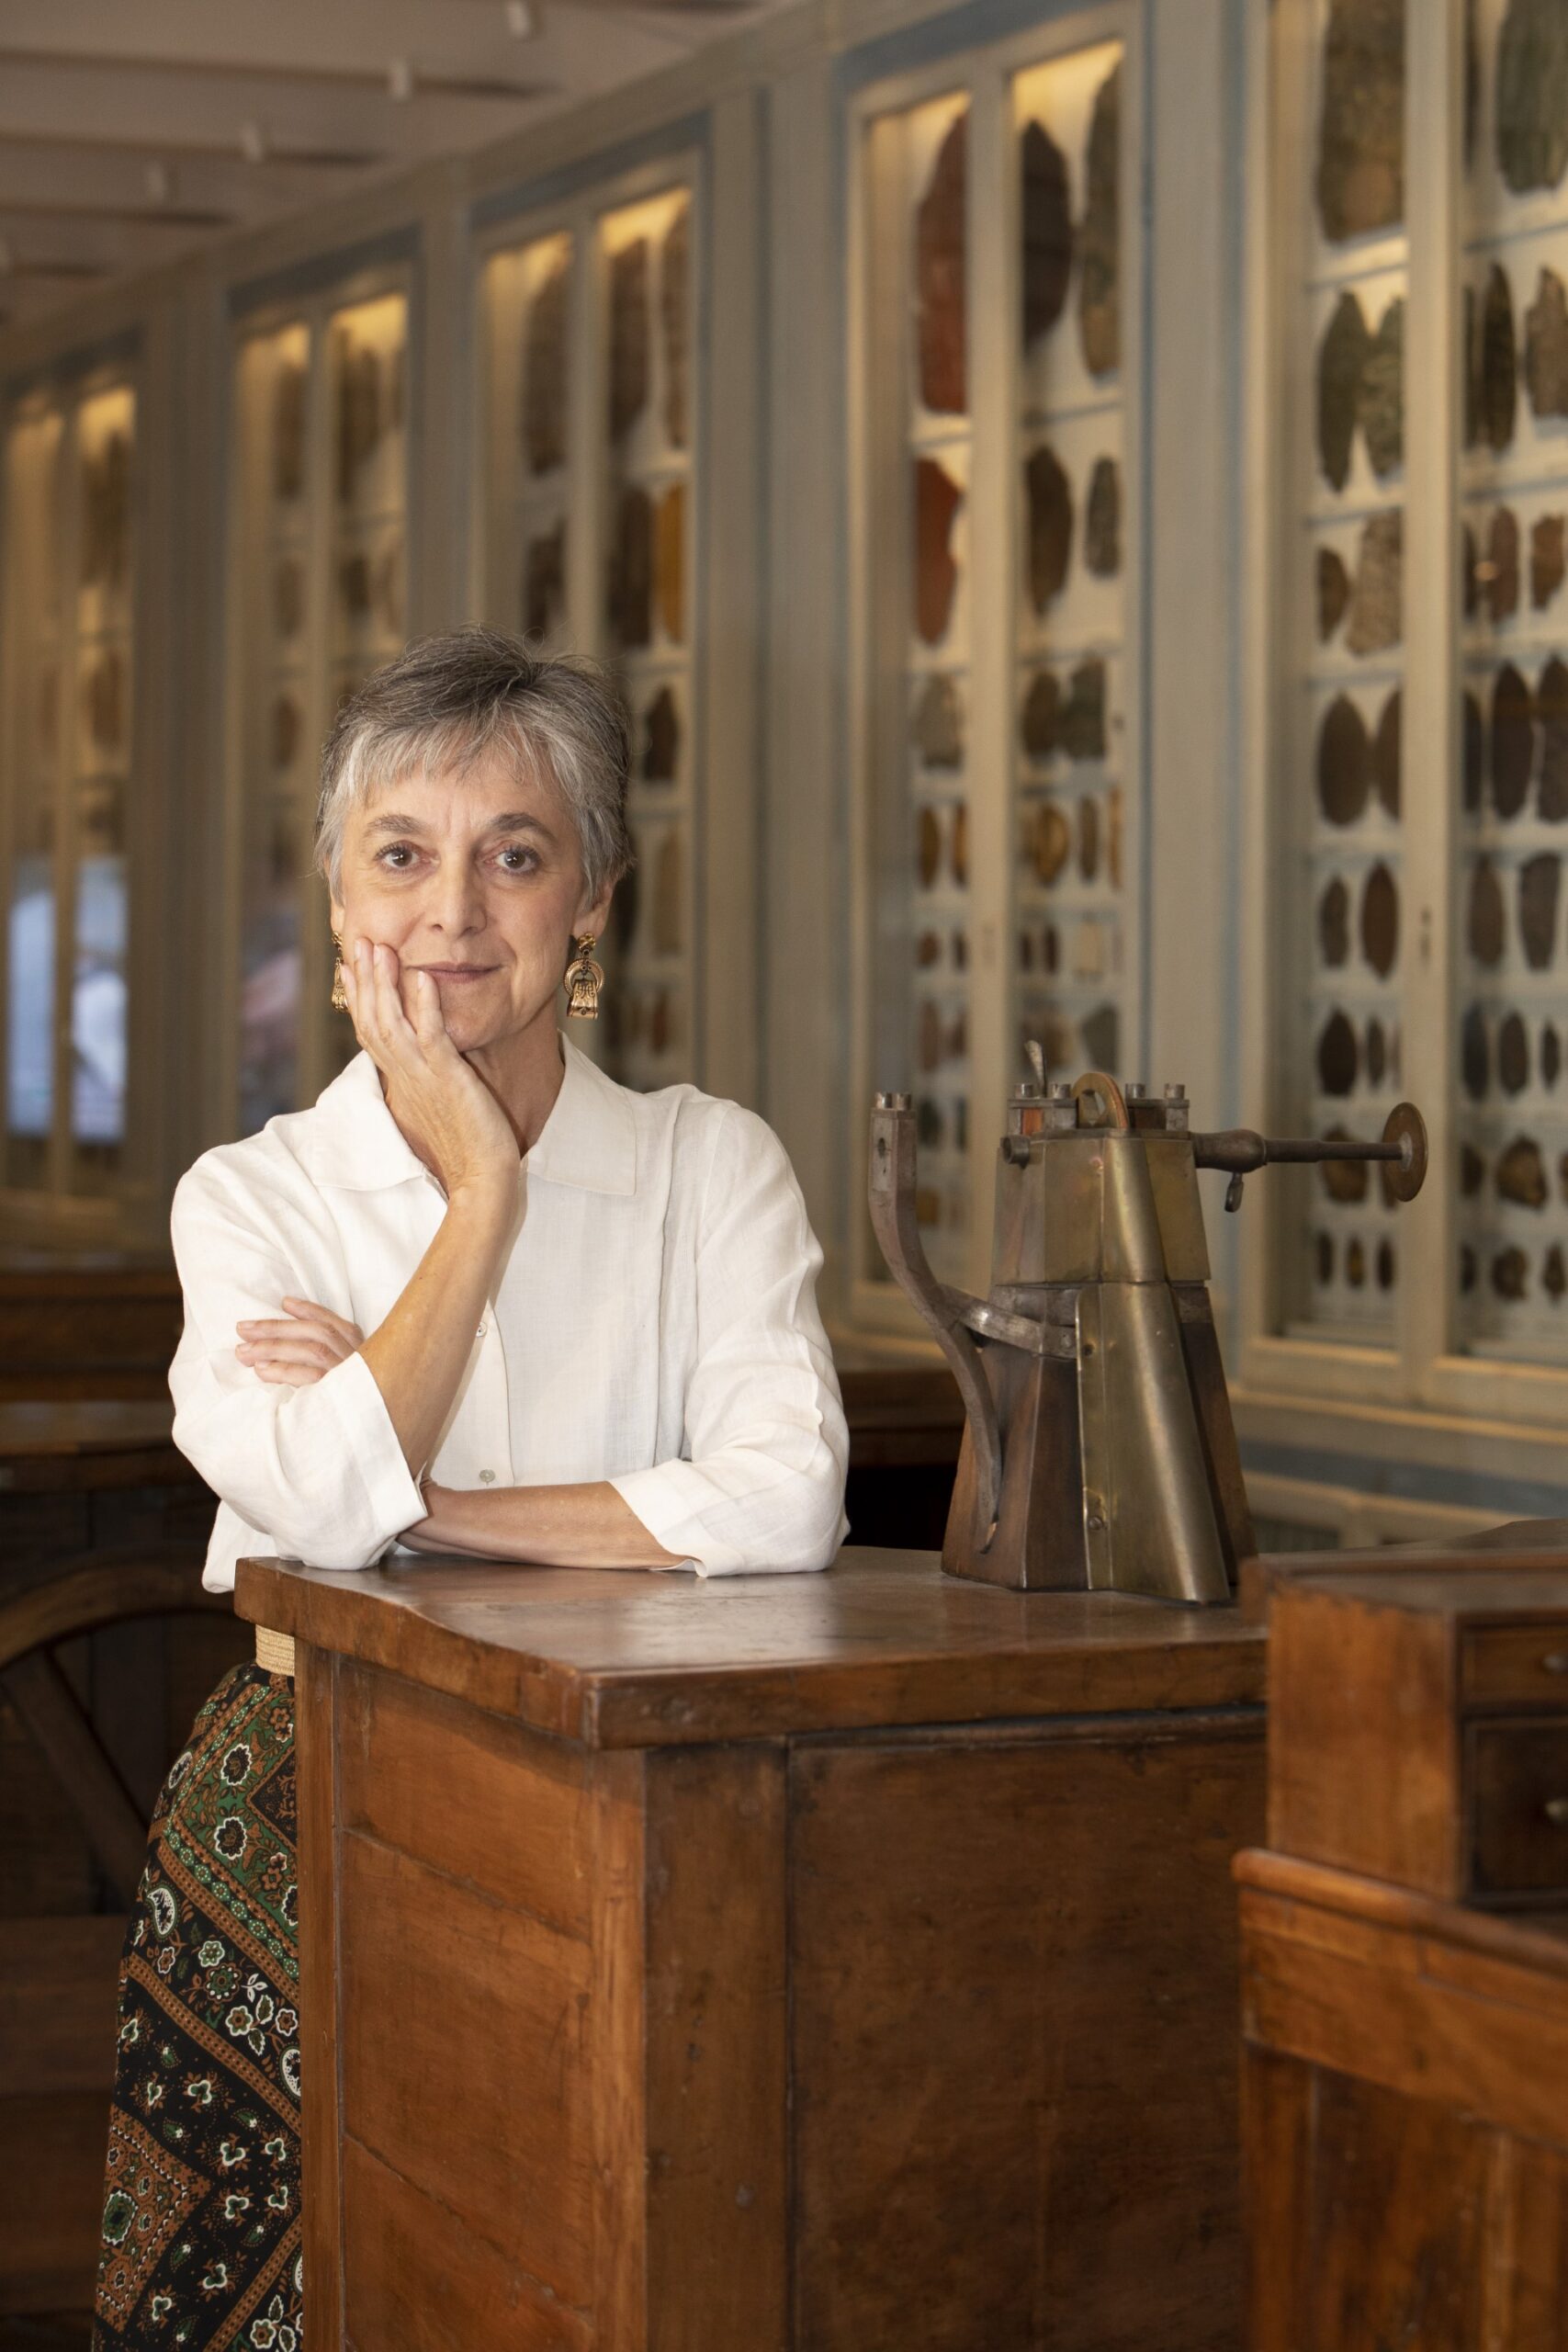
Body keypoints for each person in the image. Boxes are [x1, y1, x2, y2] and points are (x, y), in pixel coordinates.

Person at [91, 628, 849, 2349]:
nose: (454, 913)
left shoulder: (709, 1163)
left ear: (593, 900)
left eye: (515, 856)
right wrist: (484, 1200)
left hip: (648, 1794)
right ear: (337, 898)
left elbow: (787, 1499)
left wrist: (416, 1504)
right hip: (308, 1790)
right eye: (401, 856)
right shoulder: (253, 1196)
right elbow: (304, 1503)